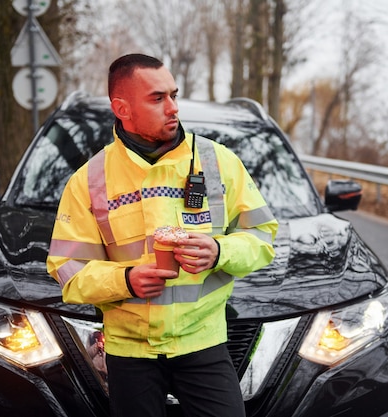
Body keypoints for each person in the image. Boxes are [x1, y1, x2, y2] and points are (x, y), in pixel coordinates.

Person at [47, 53, 278, 417]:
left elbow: (262, 239)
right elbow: (68, 270)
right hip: (129, 352)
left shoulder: (219, 163)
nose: (173, 107)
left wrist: (219, 251)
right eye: (157, 98)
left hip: (204, 343)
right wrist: (126, 280)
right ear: (121, 108)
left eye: (174, 94)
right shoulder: (89, 181)